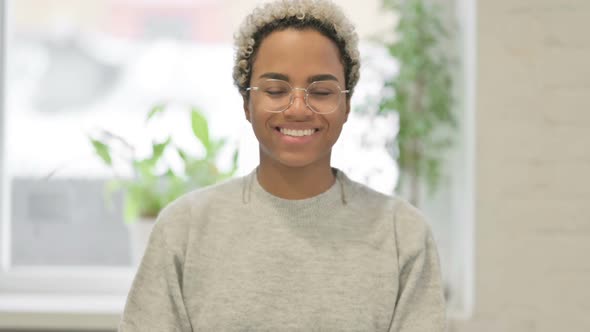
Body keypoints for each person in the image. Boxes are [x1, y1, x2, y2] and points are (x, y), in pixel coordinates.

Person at [119, 0, 446, 331]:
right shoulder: (185, 229)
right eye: (276, 90)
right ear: (247, 103)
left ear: (347, 105)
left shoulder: (401, 234)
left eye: (320, 91)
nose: (298, 109)